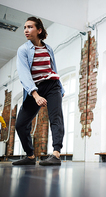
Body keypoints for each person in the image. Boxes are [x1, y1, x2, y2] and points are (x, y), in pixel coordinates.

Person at [12, 17, 65, 166]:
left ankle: (56, 154)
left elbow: (53, 69)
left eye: (30, 27)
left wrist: (60, 88)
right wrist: (35, 95)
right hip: (34, 88)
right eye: (24, 27)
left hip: (52, 85)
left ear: (39, 30)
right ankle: (30, 156)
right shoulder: (23, 50)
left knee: (56, 117)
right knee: (20, 125)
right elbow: (24, 74)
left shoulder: (48, 49)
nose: (26, 30)